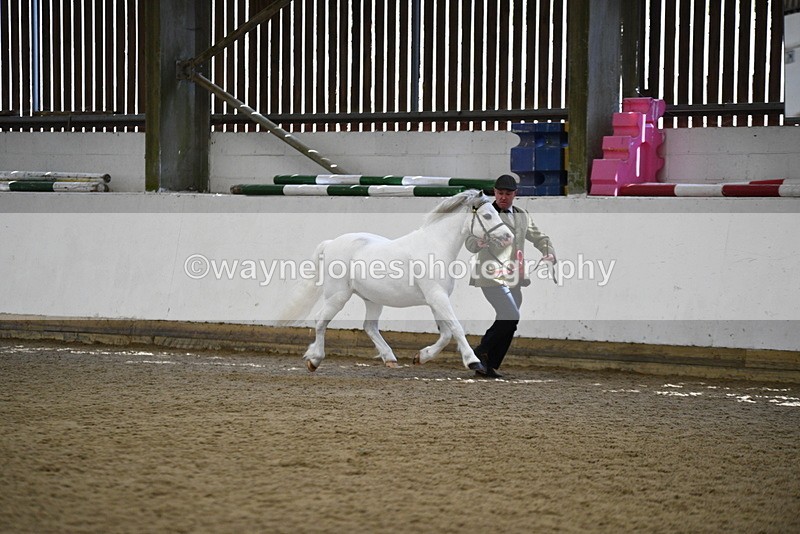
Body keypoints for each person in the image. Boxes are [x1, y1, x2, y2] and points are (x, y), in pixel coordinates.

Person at [465, 174, 556, 378]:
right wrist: (476, 244)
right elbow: (469, 240)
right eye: (499, 193)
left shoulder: (522, 214)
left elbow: (540, 237)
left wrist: (548, 252)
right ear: (494, 193)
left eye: (507, 193)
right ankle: (479, 353)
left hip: (514, 276)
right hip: (490, 274)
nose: (503, 197)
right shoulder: (486, 213)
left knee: (509, 321)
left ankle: (490, 365)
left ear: (515, 194)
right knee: (511, 315)